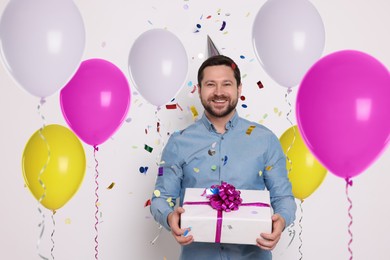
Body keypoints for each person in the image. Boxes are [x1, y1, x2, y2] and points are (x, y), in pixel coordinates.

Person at [150, 55, 296, 259]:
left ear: (239, 89)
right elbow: (160, 199)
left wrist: (281, 220)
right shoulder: (178, 143)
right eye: (210, 84)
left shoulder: (265, 140)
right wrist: (169, 217)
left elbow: (284, 198)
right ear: (199, 90)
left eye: (226, 84)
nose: (219, 92)